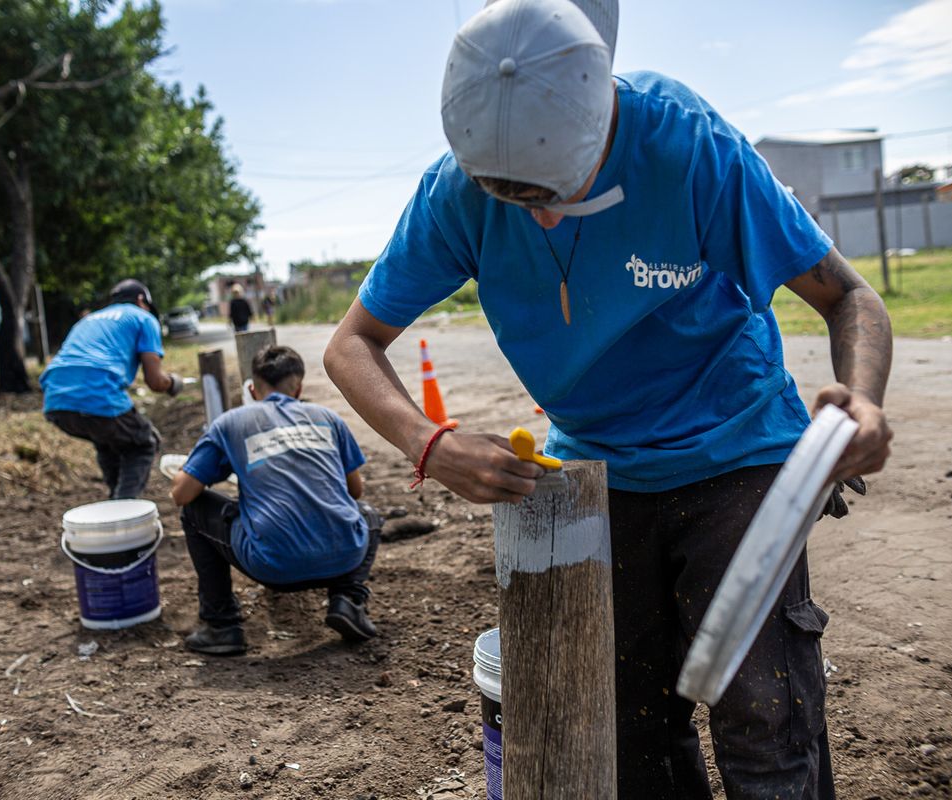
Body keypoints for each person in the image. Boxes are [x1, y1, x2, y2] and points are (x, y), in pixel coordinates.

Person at [322, 0, 893, 797]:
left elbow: (851, 301)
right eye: (518, 198)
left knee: (764, 720)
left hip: (737, 452)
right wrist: (432, 444)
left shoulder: (689, 146)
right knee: (629, 733)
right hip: (594, 473)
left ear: (608, 116)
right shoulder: (455, 194)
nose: (545, 214)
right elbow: (351, 344)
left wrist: (863, 405)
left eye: (560, 187)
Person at [169, 345, 382, 655]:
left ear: (254, 389)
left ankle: (222, 626)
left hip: (273, 564)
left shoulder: (231, 423)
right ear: (299, 388)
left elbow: (181, 494)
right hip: (344, 557)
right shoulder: (327, 418)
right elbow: (355, 491)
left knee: (194, 510)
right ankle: (348, 599)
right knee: (368, 515)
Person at [41, 279, 182, 500]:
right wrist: (173, 383)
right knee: (143, 444)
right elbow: (155, 381)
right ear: (141, 300)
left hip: (55, 400)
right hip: (97, 392)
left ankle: (114, 503)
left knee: (107, 438)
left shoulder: (87, 321)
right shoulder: (144, 318)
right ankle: (124, 508)